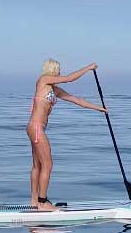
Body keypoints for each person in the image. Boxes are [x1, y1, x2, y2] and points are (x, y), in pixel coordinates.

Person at [27, 59, 107, 211]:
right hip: (36, 128)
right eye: (58, 69)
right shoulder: (43, 80)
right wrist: (88, 68)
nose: (59, 72)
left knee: (38, 165)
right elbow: (70, 78)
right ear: (52, 70)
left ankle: (34, 202)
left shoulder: (54, 90)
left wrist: (98, 108)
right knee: (48, 165)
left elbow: (76, 100)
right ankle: (42, 202)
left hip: (35, 128)